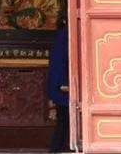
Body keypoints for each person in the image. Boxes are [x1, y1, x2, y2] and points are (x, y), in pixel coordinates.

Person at [47, 19, 70, 153]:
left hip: (64, 85)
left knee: (64, 122)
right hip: (64, 87)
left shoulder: (65, 34)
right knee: (63, 122)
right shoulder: (64, 35)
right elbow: (58, 62)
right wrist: (64, 83)